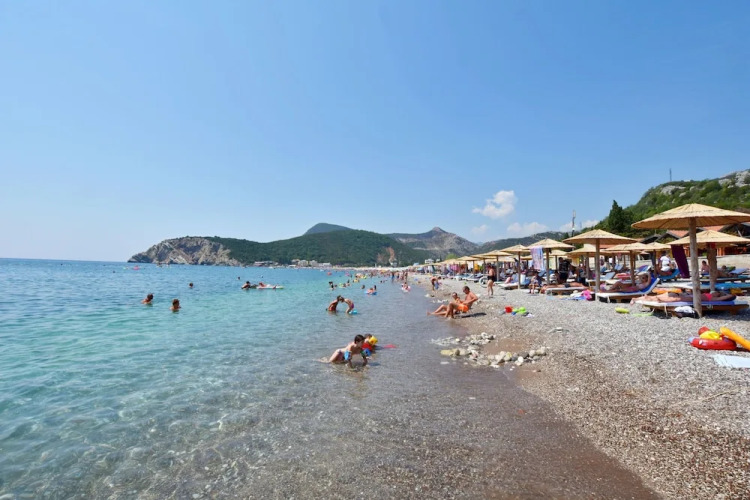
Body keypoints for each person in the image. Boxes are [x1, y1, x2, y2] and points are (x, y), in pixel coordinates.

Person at [633, 290, 735, 304]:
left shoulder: (713, 298)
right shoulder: (709, 294)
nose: (715, 292)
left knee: (676, 299)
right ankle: (637, 298)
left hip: (690, 298)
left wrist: (726, 295)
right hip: (686, 295)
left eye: (717, 292)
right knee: (674, 297)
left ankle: (657, 299)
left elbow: (731, 296)